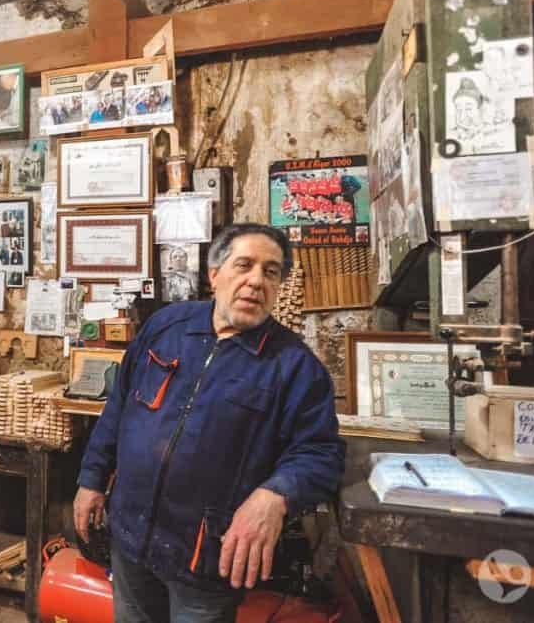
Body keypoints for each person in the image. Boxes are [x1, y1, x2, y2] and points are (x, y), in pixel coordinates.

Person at [74, 223, 344, 623]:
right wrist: (92, 478)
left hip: (206, 557)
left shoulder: (294, 367)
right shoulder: (166, 328)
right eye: (244, 265)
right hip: (131, 536)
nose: (256, 281)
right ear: (215, 274)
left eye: (271, 272)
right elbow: (119, 406)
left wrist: (275, 495)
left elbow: (320, 454)